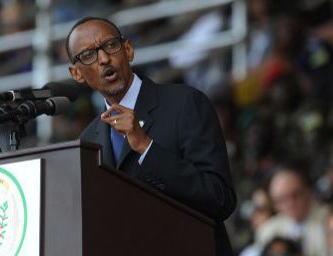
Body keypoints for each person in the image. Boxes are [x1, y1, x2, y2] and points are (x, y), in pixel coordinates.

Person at [66, 17, 237, 255]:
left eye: (111, 46)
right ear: (77, 74)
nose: (104, 59)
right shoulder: (87, 141)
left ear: (128, 49)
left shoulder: (185, 104)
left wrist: (147, 148)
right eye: (89, 55)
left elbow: (219, 199)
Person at [256, 167, 329, 256]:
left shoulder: (332, 219)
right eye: (282, 199)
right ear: (274, 204)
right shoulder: (268, 231)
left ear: (307, 191)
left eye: (296, 194)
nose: (291, 203)